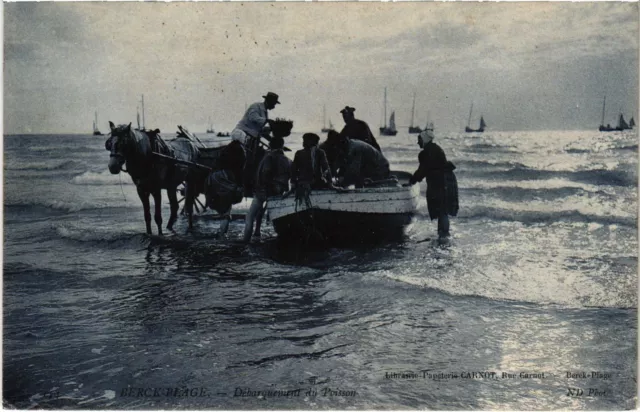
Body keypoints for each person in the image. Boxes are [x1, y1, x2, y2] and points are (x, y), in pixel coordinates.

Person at [406, 129, 459, 239]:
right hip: (446, 180)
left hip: (439, 182)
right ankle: (443, 234)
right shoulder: (436, 148)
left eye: (419, 140)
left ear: (425, 140)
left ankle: (443, 235)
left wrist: (412, 181)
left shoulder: (425, 153)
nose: (418, 142)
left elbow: (423, 170)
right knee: (443, 210)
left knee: (441, 210)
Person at [243, 136, 291, 242]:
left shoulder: (268, 157)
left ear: (269, 145)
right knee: (274, 215)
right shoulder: (287, 160)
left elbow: (264, 173)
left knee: (250, 216)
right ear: (282, 145)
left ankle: (246, 240)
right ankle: (258, 232)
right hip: (278, 192)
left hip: (263, 191)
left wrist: (262, 187)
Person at [204, 140, 246, 238]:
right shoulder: (241, 152)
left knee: (222, 208)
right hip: (227, 178)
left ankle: (221, 232)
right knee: (227, 210)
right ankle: (222, 234)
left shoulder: (224, 150)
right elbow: (240, 169)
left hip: (213, 178)